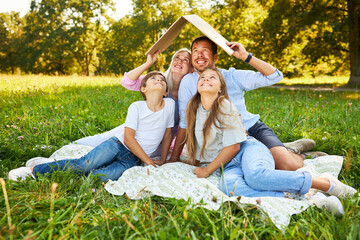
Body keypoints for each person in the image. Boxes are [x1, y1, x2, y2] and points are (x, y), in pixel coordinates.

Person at [186, 68, 356, 215]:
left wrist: (207, 170)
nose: (206, 79)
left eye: (212, 77)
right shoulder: (193, 108)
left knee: (256, 176)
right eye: (202, 77)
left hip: (246, 149)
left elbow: (234, 147)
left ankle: (324, 184)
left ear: (221, 87)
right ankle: (307, 198)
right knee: (230, 189)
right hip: (227, 165)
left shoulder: (224, 105)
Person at [168, 36, 322, 170]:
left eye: (205, 50)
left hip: (250, 127)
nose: (199, 54)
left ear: (215, 57)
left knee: (288, 166)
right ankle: (283, 148)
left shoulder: (232, 76)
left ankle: (297, 153)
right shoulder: (189, 82)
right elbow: (185, 122)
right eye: (195, 50)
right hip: (222, 139)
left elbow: (275, 76)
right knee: (256, 165)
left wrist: (246, 56)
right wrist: (173, 160)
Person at [9, 72, 174, 182]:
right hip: (117, 146)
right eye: (154, 79)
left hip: (133, 160)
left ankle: (51, 167)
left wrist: (164, 159)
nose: (159, 80)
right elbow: (129, 139)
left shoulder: (170, 105)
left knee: (97, 177)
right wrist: (149, 162)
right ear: (143, 89)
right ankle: (33, 171)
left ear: (166, 91)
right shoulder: (136, 107)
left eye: (162, 80)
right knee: (83, 165)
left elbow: (167, 135)